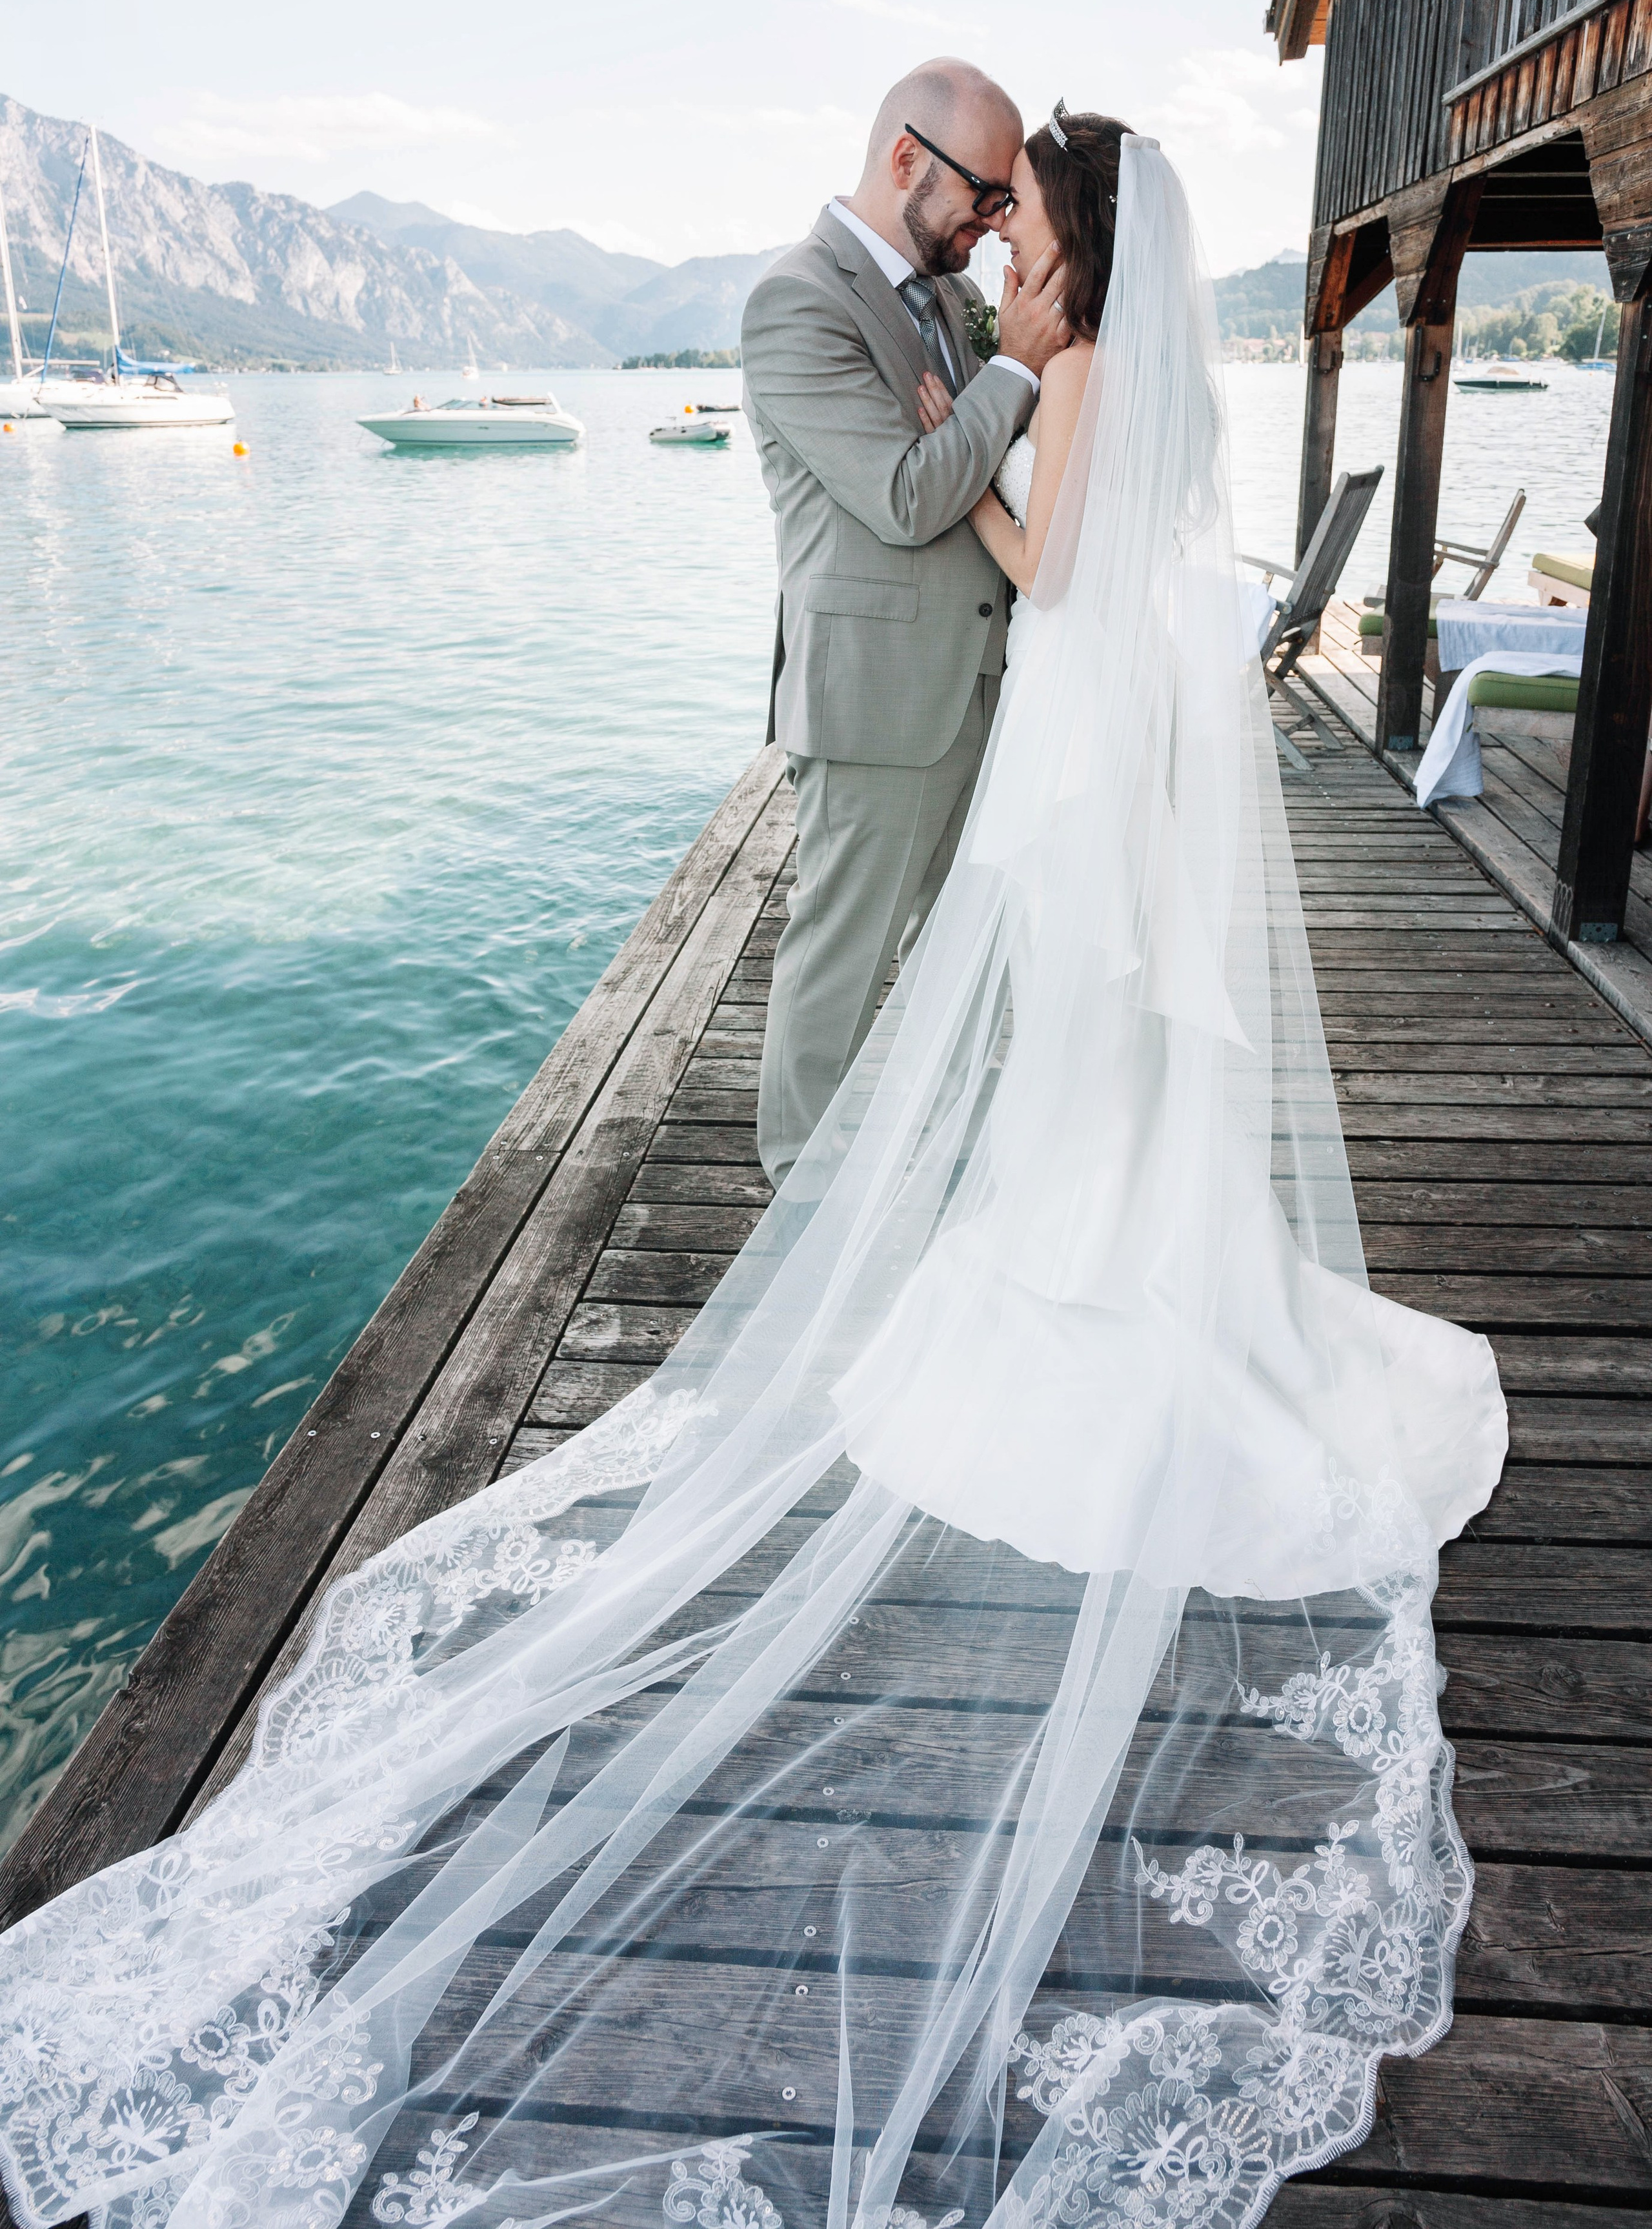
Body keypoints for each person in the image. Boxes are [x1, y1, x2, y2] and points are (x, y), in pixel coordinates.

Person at [0, 120, 1507, 2229]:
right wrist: (978, 427)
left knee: (1065, 1065)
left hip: (1060, 768)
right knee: (1077, 1079)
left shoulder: (1056, 383)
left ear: (1076, 263)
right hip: (1066, 758)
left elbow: (1043, 563)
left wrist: (962, 431)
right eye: (1002, 219)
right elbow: (1056, 548)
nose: (1011, 256)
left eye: (1033, 235)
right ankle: (1097, 1257)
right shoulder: (1078, 374)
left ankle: (1089, 1279)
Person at [742, 59, 1071, 1187]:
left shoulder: (959, 300)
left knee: (968, 956)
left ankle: (947, 1175)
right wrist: (1013, 371)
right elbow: (906, 494)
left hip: (986, 683)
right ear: (903, 161)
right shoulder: (797, 301)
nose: (994, 221)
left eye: (1002, 203)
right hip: (878, 704)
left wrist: (996, 383)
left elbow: (979, 460)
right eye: (984, 195)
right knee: (841, 966)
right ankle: (799, 1194)